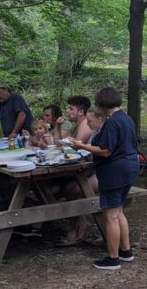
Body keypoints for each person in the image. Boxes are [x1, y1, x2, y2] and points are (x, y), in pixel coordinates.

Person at [71, 88, 138, 270]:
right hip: (130, 167)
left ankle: (113, 258)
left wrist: (82, 146)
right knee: (119, 211)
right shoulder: (126, 118)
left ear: (101, 104)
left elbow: (105, 151)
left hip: (115, 171)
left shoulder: (112, 122)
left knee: (111, 215)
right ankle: (126, 251)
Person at [57, 106, 105, 247]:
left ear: (100, 119)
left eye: (90, 121)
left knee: (75, 191)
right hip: (92, 169)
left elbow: (103, 152)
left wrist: (82, 147)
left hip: (104, 173)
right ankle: (80, 223)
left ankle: (78, 227)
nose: (88, 124)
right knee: (67, 188)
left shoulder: (106, 132)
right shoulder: (95, 132)